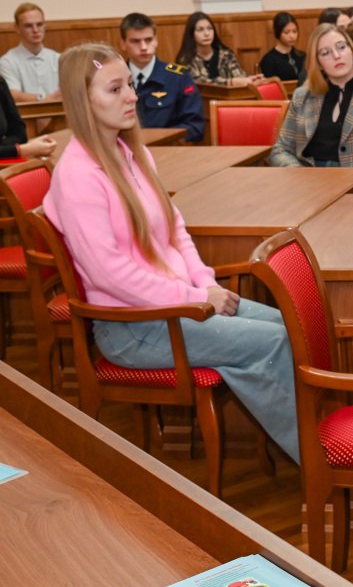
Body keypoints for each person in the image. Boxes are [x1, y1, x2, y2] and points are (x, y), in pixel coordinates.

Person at [43, 43, 298, 463]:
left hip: (172, 305)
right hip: (133, 326)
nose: (132, 96)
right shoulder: (77, 175)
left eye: (129, 84)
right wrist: (196, 299)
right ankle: (315, 459)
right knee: (269, 343)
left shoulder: (132, 153)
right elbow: (110, 275)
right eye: (115, 89)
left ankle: (297, 441)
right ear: (82, 100)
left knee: (288, 327)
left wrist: (204, 282)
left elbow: (174, 226)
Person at [269, 24, 353, 187]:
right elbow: (280, 150)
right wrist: (300, 174)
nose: (336, 55)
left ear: (352, 51)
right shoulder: (303, 96)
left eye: (341, 47)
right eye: (325, 53)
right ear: (318, 62)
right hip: (308, 187)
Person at [120, 12, 205, 142]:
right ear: (123, 44)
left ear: (156, 40)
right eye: (135, 41)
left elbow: (195, 126)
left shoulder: (178, 77)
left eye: (148, 40)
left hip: (169, 149)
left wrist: (160, 139)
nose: (143, 47)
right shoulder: (115, 80)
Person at [175, 11, 264, 87]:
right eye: (200, 30)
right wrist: (229, 82)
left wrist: (249, 80)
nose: (206, 33)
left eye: (209, 29)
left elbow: (238, 76)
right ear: (192, 34)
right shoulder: (186, 59)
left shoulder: (225, 55)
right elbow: (197, 83)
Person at [1, 2, 61, 102]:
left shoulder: (58, 58)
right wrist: (44, 98)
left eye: (40, 24)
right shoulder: (7, 61)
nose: (35, 30)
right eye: (28, 26)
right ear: (17, 28)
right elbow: (12, 94)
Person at [258, 12, 306, 83]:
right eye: (286, 32)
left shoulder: (303, 56)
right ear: (278, 33)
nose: (292, 36)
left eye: (294, 31)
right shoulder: (268, 60)